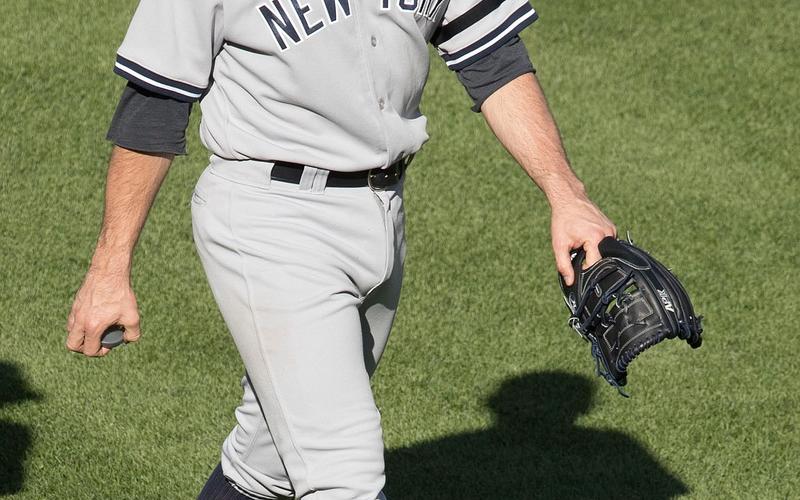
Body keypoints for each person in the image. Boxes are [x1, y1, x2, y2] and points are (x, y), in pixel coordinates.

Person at [65, 0, 616, 498]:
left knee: (269, 463)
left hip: (384, 211)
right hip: (269, 217)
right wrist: (110, 269)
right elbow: (155, 104)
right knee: (344, 474)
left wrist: (566, 195)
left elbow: (492, 57)